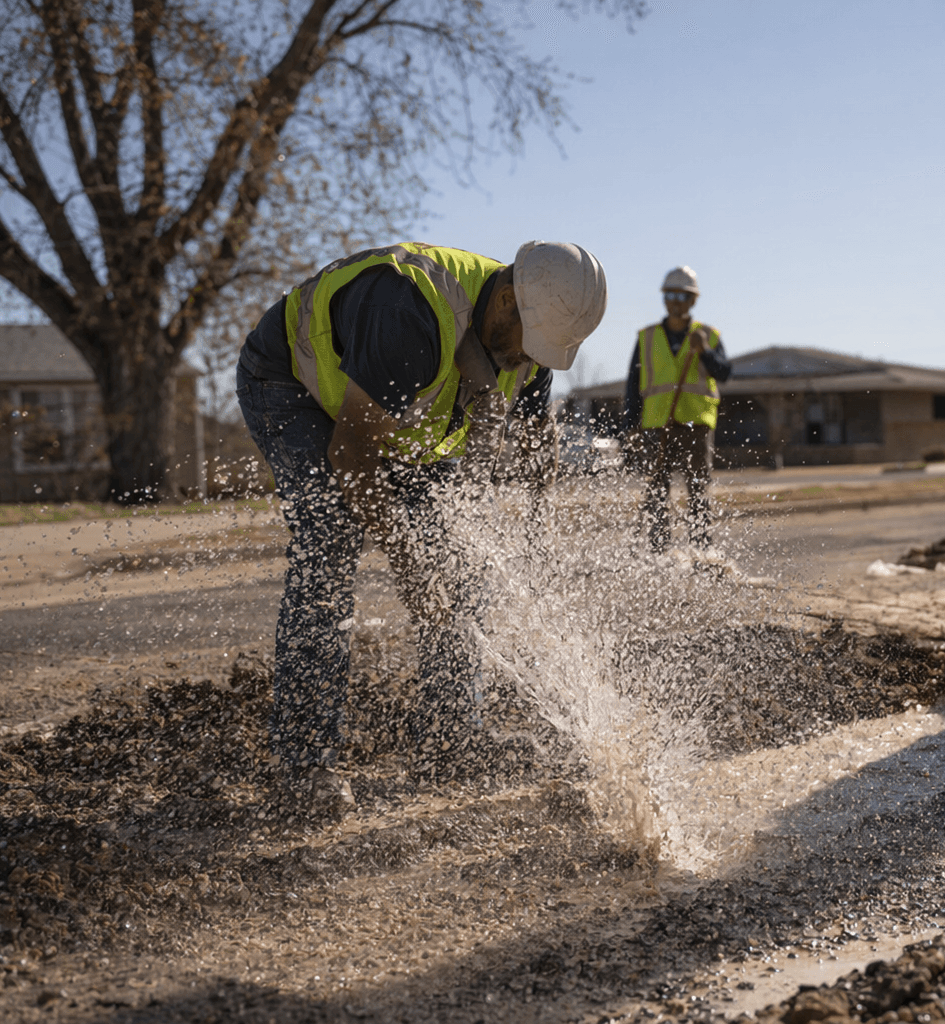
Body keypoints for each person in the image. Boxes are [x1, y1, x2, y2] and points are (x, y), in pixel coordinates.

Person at [235, 241, 607, 811]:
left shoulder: (533, 336)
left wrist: (533, 527)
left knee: (462, 559)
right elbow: (354, 454)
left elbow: (533, 441)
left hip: (398, 414)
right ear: (505, 300)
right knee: (331, 540)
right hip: (293, 383)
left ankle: (452, 740)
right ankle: (304, 760)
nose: (526, 364)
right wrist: (412, 568)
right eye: (524, 349)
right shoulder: (409, 310)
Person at [623, 266, 732, 553]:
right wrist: (631, 424)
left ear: (693, 300)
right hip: (656, 424)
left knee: (698, 490)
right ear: (664, 298)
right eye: (670, 295)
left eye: (683, 296)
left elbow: (723, 372)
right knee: (657, 490)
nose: (676, 301)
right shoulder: (647, 337)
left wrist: (705, 350)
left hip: (695, 425)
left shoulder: (708, 335)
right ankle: (659, 550)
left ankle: (702, 550)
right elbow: (633, 384)